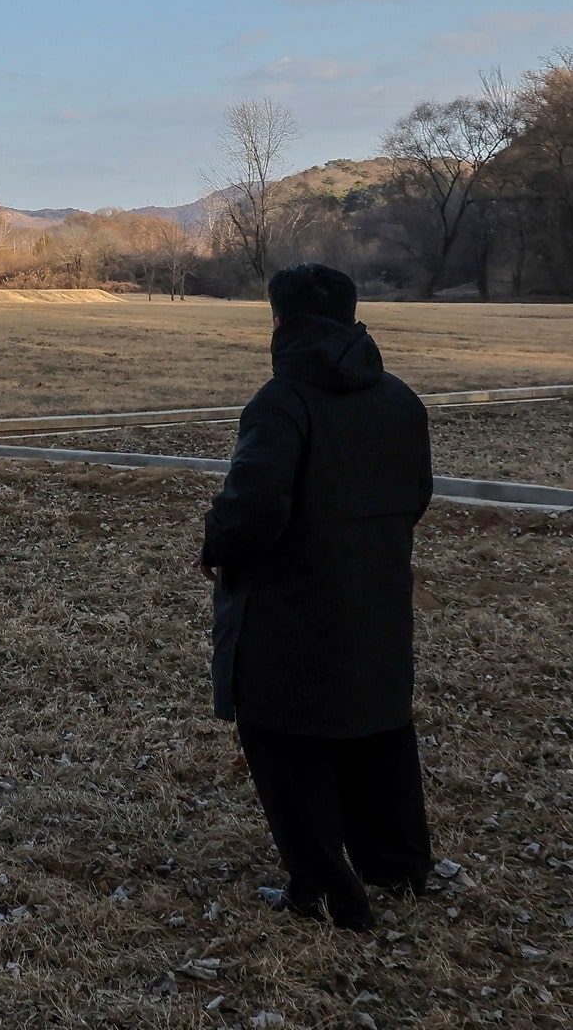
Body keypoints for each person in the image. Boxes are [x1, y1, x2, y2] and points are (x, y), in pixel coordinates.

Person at [199, 263, 435, 931]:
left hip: (288, 611)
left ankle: (326, 891)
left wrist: (215, 543)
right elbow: (415, 496)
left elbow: (252, 508)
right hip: (379, 600)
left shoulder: (281, 403)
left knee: (284, 741)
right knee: (378, 728)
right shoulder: (401, 400)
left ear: (282, 322)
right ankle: (399, 866)